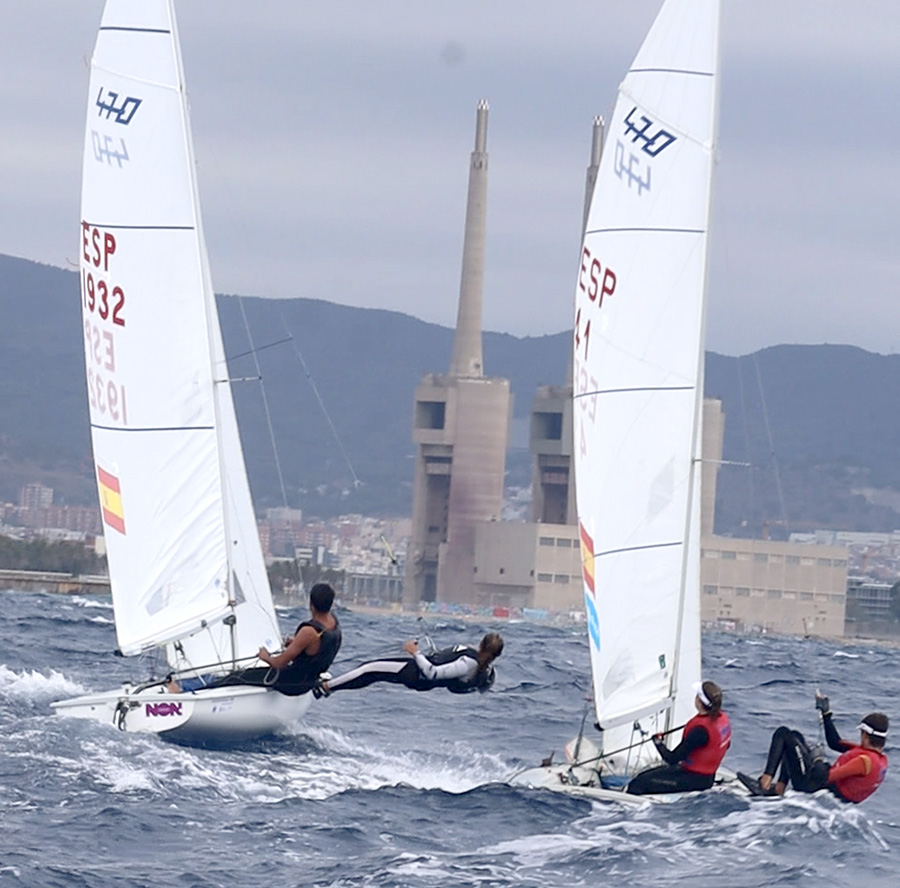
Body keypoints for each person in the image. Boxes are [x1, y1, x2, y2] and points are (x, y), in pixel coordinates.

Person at [168, 582, 342, 697]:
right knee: (238, 675)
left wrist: (265, 656)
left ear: (311, 604)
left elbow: (279, 663)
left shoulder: (308, 632)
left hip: (291, 682)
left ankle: (181, 694)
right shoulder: (333, 623)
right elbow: (315, 651)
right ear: (330, 604)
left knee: (236, 677)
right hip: (308, 681)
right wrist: (296, 645)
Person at [738, 693, 888, 803]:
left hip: (812, 785)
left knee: (784, 734)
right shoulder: (877, 758)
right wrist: (826, 714)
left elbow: (825, 777)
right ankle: (778, 789)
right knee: (796, 737)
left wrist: (817, 760)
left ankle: (763, 785)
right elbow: (835, 743)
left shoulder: (864, 762)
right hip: (822, 787)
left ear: (865, 735)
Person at [315, 632, 504, 697]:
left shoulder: (468, 663)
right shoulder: (484, 671)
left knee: (368, 669)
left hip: (416, 673)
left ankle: (325, 688)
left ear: (481, 644)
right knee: (373, 673)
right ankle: (329, 688)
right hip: (419, 677)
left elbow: (433, 673)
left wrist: (415, 652)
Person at [626, 679, 731, 795]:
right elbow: (726, 745)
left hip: (693, 781)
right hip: (706, 778)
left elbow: (672, 759)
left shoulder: (700, 731)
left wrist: (658, 743)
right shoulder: (721, 720)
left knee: (637, 784)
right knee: (642, 776)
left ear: (699, 701)